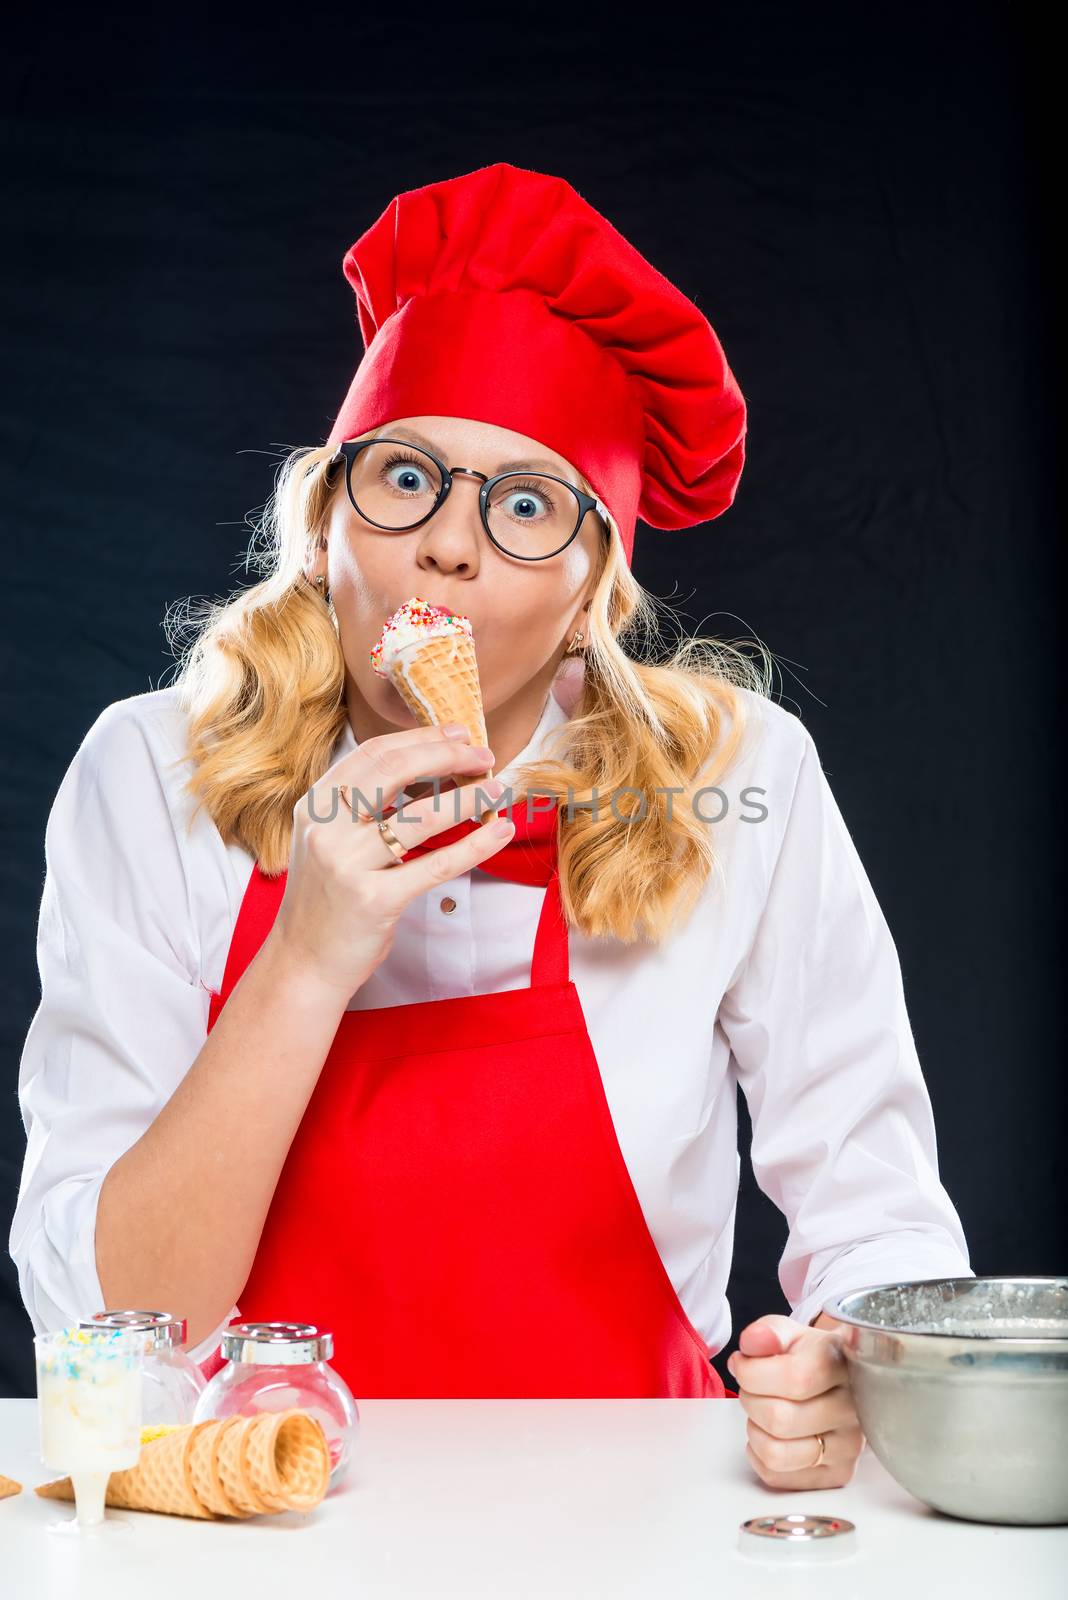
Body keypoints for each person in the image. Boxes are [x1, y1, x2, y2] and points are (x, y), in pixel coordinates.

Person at [10, 162, 972, 1490]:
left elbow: (873, 1204)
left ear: (593, 590)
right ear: (327, 523)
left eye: (526, 506)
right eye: (405, 477)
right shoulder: (151, 769)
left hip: (639, 1519)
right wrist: (309, 956)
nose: (450, 548)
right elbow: (113, 1323)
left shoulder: (738, 775)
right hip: (250, 1515)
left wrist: (849, 1367)